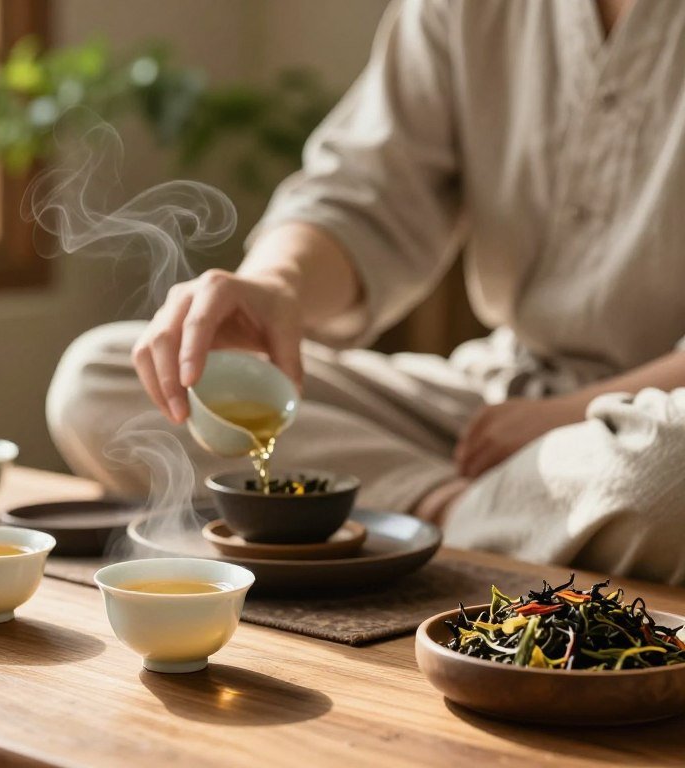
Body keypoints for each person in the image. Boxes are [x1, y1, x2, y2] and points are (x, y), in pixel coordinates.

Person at [47, 0, 685, 583]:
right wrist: (276, 285)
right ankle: (460, 513)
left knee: (667, 473)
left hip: (658, 419)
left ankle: (439, 529)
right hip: (491, 405)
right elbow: (363, 193)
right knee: (105, 376)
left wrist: (566, 418)